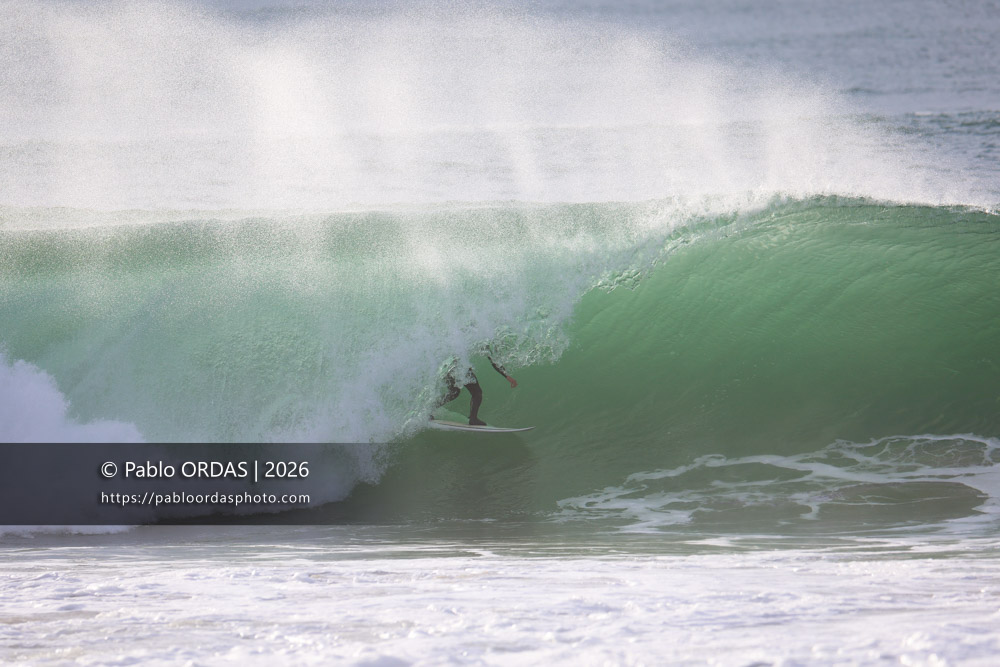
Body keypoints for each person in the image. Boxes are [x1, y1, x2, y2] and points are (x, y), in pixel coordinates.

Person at [434, 356, 517, 426]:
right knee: (477, 393)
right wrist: (507, 376)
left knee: (454, 392)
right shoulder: (485, 340)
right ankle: (473, 419)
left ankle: (429, 409)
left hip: (446, 368)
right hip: (460, 368)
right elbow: (494, 360)